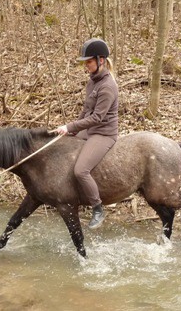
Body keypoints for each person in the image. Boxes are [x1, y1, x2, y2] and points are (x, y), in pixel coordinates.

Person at [56, 38, 119, 229]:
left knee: (80, 170)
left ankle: (98, 209)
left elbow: (97, 118)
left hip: (104, 133)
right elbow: (86, 111)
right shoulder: (92, 82)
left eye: (89, 61)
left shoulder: (107, 86)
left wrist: (70, 126)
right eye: (85, 62)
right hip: (89, 130)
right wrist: (72, 131)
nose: (86, 66)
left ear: (101, 60)